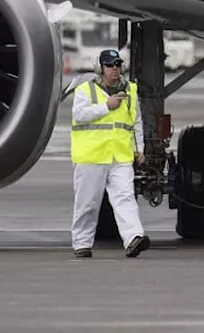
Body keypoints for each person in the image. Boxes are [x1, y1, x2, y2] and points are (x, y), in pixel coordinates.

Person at [70, 48, 151, 258]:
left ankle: (134, 238)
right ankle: (82, 242)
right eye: (109, 65)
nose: (114, 69)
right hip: (91, 155)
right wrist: (106, 106)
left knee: (125, 198)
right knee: (87, 202)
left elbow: (136, 122)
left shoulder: (130, 91)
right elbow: (79, 115)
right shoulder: (85, 90)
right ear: (100, 68)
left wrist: (139, 148)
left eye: (117, 65)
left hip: (120, 156)